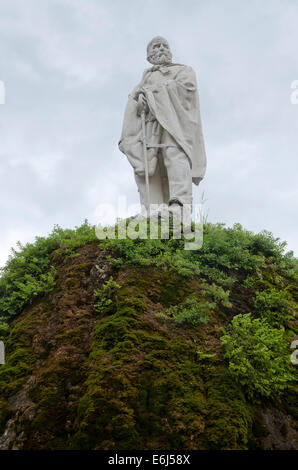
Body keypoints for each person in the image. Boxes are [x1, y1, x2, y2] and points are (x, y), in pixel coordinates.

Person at [119, 36, 206, 218]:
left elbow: (187, 89)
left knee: (174, 155)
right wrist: (139, 100)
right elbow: (134, 99)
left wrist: (152, 94)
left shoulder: (183, 71)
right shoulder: (145, 78)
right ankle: (153, 207)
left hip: (175, 123)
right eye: (156, 46)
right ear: (149, 55)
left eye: (164, 45)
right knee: (150, 161)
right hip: (150, 126)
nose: (161, 48)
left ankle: (180, 205)